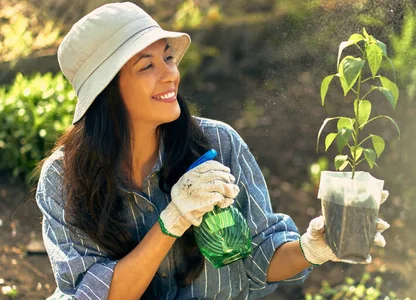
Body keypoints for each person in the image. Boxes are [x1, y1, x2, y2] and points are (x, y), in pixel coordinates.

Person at [35, 2, 390, 299]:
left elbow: (259, 257)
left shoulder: (220, 145)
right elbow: (93, 295)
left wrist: (314, 248)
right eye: (147, 65)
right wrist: (173, 220)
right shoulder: (63, 178)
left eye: (168, 58)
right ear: (105, 93)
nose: (170, 74)